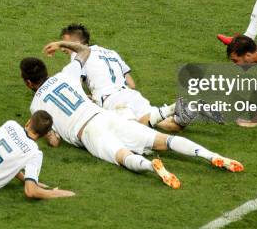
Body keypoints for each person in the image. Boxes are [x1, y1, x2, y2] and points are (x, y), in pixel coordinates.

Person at [20, 40, 243, 190]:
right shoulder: (66, 74)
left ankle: (152, 167)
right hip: (105, 115)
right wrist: (61, 44)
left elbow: (55, 141)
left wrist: (46, 132)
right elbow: (85, 51)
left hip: (87, 132)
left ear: (28, 82)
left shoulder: (36, 106)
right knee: (164, 139)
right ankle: (212, 155)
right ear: (45, 72)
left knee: (122, 156)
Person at [60, 24, 223, 132]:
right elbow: (131, 84)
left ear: (75, 43)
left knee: (133, 131)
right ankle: (192, 107)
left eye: (64, 43)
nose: (62, 47)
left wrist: (90, 98)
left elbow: (76, 88)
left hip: (113, 100)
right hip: (130, 95)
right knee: (172, 126)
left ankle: (174, 107)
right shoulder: (111, 53)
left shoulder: (79, 56)